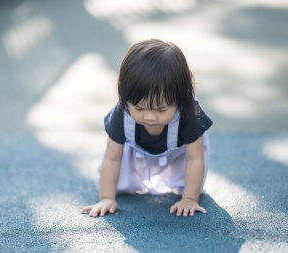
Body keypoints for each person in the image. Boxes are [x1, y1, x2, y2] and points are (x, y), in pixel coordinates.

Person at [81, 39, 213, 218]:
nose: (150, 117)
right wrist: (106, 197)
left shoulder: (190, 115)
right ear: (125, 98)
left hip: (179, 157)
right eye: (139, 108)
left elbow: (194, 159)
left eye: (161, 109)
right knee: (118, 182)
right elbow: (112, 158)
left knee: (187, 184)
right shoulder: (122, 113)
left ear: (181, 99)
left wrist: (190, 198)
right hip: (135, 155)